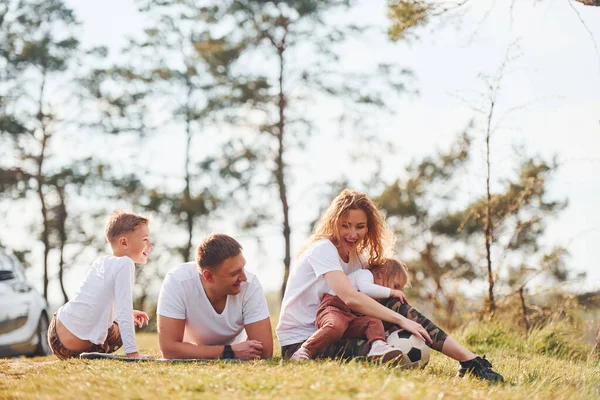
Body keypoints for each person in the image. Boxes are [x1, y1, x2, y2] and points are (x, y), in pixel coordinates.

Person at [276, 189, 504, 382]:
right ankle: (462, 360)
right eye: (345, 225)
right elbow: (350, 298)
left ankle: (470, 361)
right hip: (301, 343)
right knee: (393, 353)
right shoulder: (323, 248)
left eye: (360, 227)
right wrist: (400, 320)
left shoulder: (358, 257)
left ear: (369, 228)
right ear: (334, 223)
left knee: (395, 303)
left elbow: (371, 295)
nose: (352, 234)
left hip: (343, 325)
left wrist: (398, 309)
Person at [47, 210, 153, 360]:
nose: (150, 245)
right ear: (124, 242)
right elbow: (122, 312)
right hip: (76, 345)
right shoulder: (126, 264)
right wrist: (132, 353)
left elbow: (94, 303)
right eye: (145, 240)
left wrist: (126, 313)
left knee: (116, 322)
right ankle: (99, 349)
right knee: (119, 332)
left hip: (57, 331)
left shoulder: (101, 261)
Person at [157, 233, 273, 360]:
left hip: (215, 350)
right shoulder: (177, 281)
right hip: (217, 350)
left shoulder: (250, 284)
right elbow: (169, 350)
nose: (244, 278)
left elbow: (265, 351)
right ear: (209, 276)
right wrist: (229, 352)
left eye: (243, 267)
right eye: (234, 273)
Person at [289, 258, 410, 362]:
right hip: (335, 307)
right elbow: (366, 289)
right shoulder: (365, 274)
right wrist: (391, 292)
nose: (396, 290)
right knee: (335, 326)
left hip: (351, 316)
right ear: (381, 273)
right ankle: (304, 350)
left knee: (373, 321)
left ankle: (378, 345)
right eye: (395, 285)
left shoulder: (375, 292)